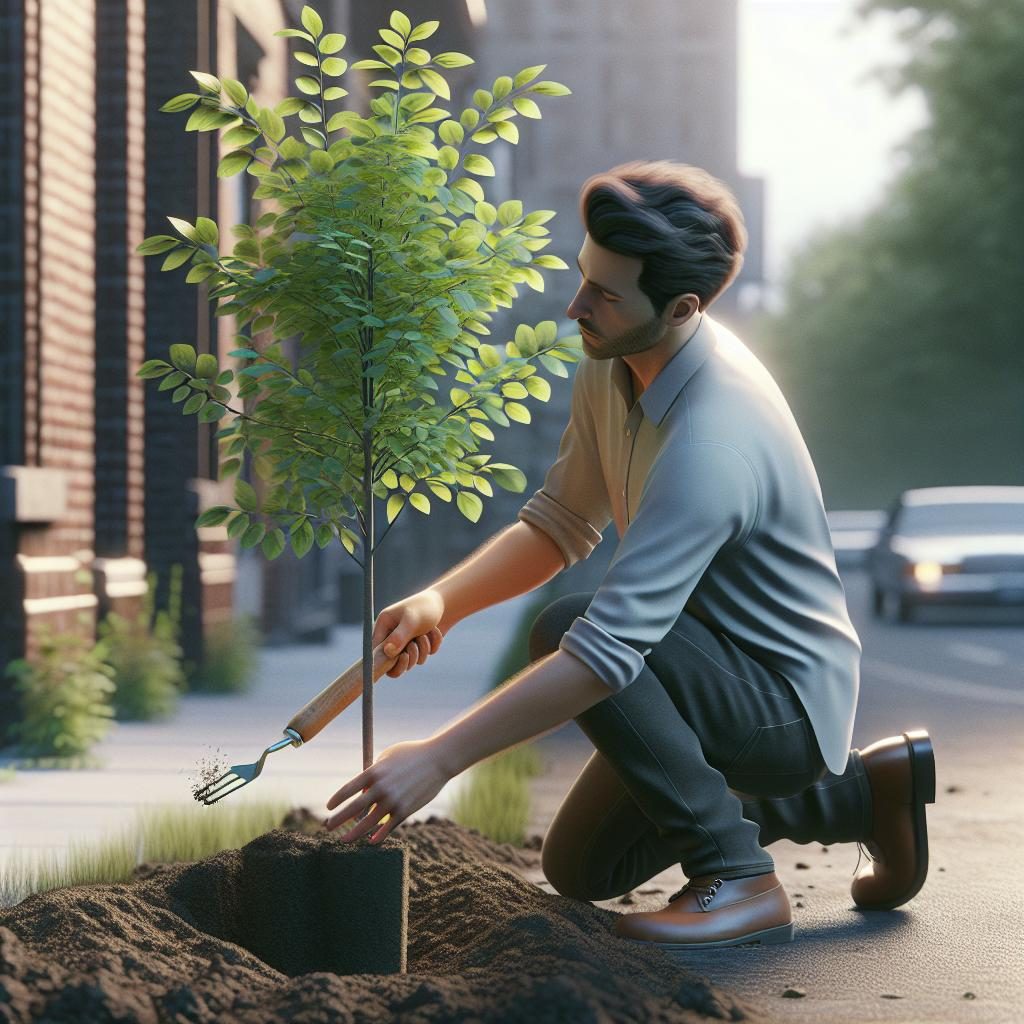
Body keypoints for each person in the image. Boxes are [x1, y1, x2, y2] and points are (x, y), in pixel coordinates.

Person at [323, 160, 937, 950]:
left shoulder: (712, 443)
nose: (577, 306)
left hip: (778, 705)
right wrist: (444, 601)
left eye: (605, 295)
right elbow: (560, 523)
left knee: (569, 628)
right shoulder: (612, 360)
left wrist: (439, 759)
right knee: (582, 867)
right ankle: (857, 794)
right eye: (584, 278)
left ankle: (739, 879)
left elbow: (605, 657)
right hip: (694, 673)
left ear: (681, 306)